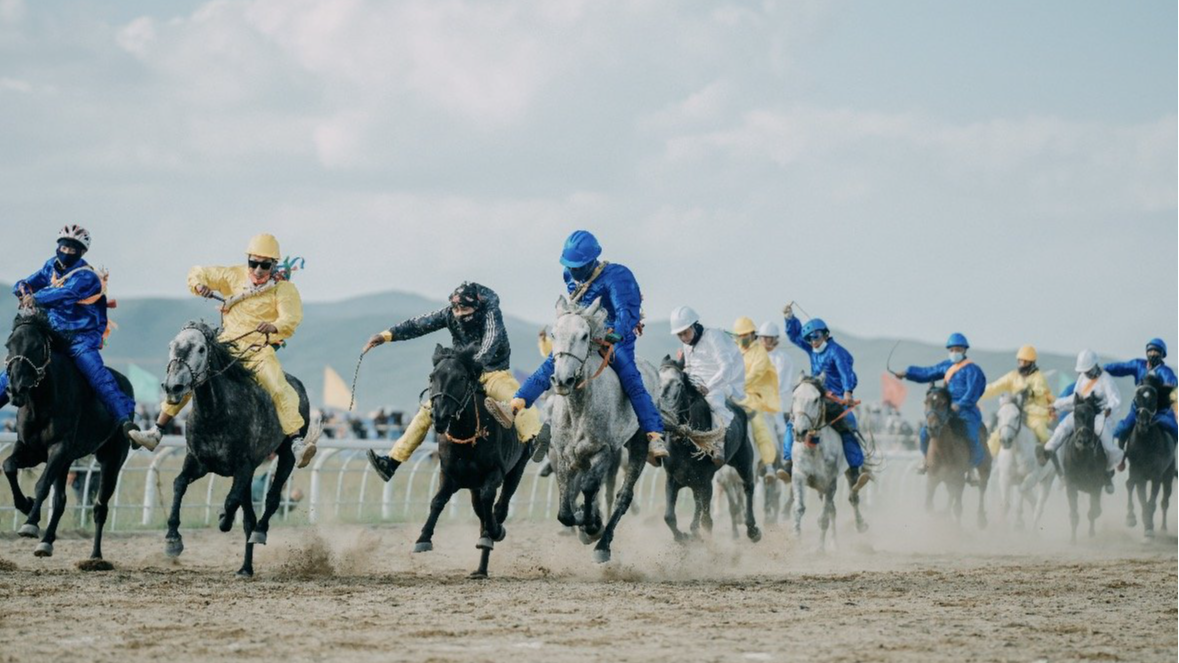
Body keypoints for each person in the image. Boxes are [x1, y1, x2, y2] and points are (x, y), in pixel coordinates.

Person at [129, 234, 315, 468]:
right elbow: (198, 271)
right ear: (248, 261)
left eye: (264, 265)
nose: (257, 269)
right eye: (253, 263)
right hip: (224, 346)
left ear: (274, 265)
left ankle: (297, 443)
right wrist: (199, 285)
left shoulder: (284, 290)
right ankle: (156, 431)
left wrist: (274, 326)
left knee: (280, 388)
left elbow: (291, 318)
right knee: (189, 373)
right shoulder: (232, 275)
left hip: (257, 350)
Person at [496, 231, 667, 465]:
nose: (574, 270)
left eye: (578, 266)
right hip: (583, 337)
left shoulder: (618, 276)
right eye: (570, 266)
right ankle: (514, 406)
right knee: (552, 364)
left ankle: (654, 436)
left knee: (631, 379)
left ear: (591, 261)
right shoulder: (569, 276)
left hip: (615, 338)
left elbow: (627, 312)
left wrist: (616, 332)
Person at [362, 282, 542, 482]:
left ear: (477, 306)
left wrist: (473, 364)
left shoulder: (491, 313)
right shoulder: (448, 313)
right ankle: (392, 461)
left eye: (464, 308)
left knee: (519, 398)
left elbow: (491, 340)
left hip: (494, 373)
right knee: (426, 411)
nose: (459, 313)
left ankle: (534, 441)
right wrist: (386, 335)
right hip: (464, 375)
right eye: (456, 308)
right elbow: (418, 325)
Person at [0, 225, 141, 441]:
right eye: (64, 246)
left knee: (99, 376)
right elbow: (26, 283)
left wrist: (35, 298)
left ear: (82, 252)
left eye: (73, 249)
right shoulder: (50, 266)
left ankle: (126, 424)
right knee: (17, 364)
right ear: (58, 246)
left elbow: (66, 293)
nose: (66, 251)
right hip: (52, 333)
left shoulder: (88, 277)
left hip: (80, 338)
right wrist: (24, 291)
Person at [781, 305, 871, 493]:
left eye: (816, 336)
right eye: (810, 338)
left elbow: (846, 373)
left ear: (825, 335)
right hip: (817, 396)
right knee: (793, 422)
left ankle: (855, 471)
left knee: (849, 424)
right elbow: (795, 337)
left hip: (838, 398)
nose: (813, 341)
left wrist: (848, 392)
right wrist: (790, 318)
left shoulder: (836, 351)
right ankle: (788, 463)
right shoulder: (812, 347)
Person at [895, 333, 987, 483]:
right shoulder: (947, 366)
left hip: (967, 410)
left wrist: (961, 404)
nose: (954, 352)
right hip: (946, 408)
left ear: (964, 351)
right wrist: (907, 373)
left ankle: (972, 468)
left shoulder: (973, 370)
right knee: (926, 431)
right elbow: (927, 372)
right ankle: (927, 460)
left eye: (957, 349)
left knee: (972, 434)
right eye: (951, 349)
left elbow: (973, 391)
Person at [669, 306, 746, 465]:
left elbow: (727, 367)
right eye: (680, 334)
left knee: (714, 402)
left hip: (718, 383)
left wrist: (709, 387)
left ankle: (718, 445)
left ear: (694, 326)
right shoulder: (686, 344)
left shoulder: (713, 336)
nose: (683, 337)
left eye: (685, 332)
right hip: (694, 383)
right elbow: (689, 367)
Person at [1042, 350, 1124, 493]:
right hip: (1081, 414)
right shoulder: (1082, 379)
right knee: (1063, 426)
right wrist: (1056, 406)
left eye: (1088, 370)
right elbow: (1073, 400)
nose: (1087, 373)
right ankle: (1048, 450)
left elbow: (1115, 399)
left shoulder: (1106, 379)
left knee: (1105, 437)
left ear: (1095, 366)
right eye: (1084, 371)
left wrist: (1109, 408)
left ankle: (1107, 473)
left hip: (1100, 415)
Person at [980, 345, 1055, 455]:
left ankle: (1051, 457)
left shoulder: (1038, 376)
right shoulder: (1013, 376)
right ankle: (987, 460)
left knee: (1041, 431)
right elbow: (995, 387)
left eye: (1026, 362)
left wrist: (1030, 392)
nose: (1022, 365)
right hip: (1015, 411)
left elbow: (1039, 390)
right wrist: (978, 393)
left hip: (1034, 413)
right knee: (997, 435)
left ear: (1032, 363)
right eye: (1020, 362)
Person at [1105, 339, 1178, 450]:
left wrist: (1170, 385)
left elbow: (1172, 381)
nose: (1153, 354)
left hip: (1160, 411)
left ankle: (1171, 461)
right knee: (1122, 428)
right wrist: (1104, 369)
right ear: (1146, 352)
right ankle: (1116, 456)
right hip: (1139, 409)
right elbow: (1122, 367)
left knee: (1175, 429)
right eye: (1151, 351)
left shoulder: (1165, 371)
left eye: (1157, 352)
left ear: (1162, 354)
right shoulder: (1138, 365)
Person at [733, 317, 782, 481]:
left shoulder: (760, 352)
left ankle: (769, 466)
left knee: (759, 427)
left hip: (754, 397)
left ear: (752, 334)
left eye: (745, 334)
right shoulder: (735, 351)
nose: (742, 338)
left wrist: (737, 385)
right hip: (732, 395)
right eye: (740, 335)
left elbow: (756, 374)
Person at [759, 320, 795, 464]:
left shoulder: (783, 359)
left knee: (780, 428)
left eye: (767, 338)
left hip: (779, 402)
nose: (764, 341)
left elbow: (779, 384)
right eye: (762, 337)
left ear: (775, 339)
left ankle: (786, 461)